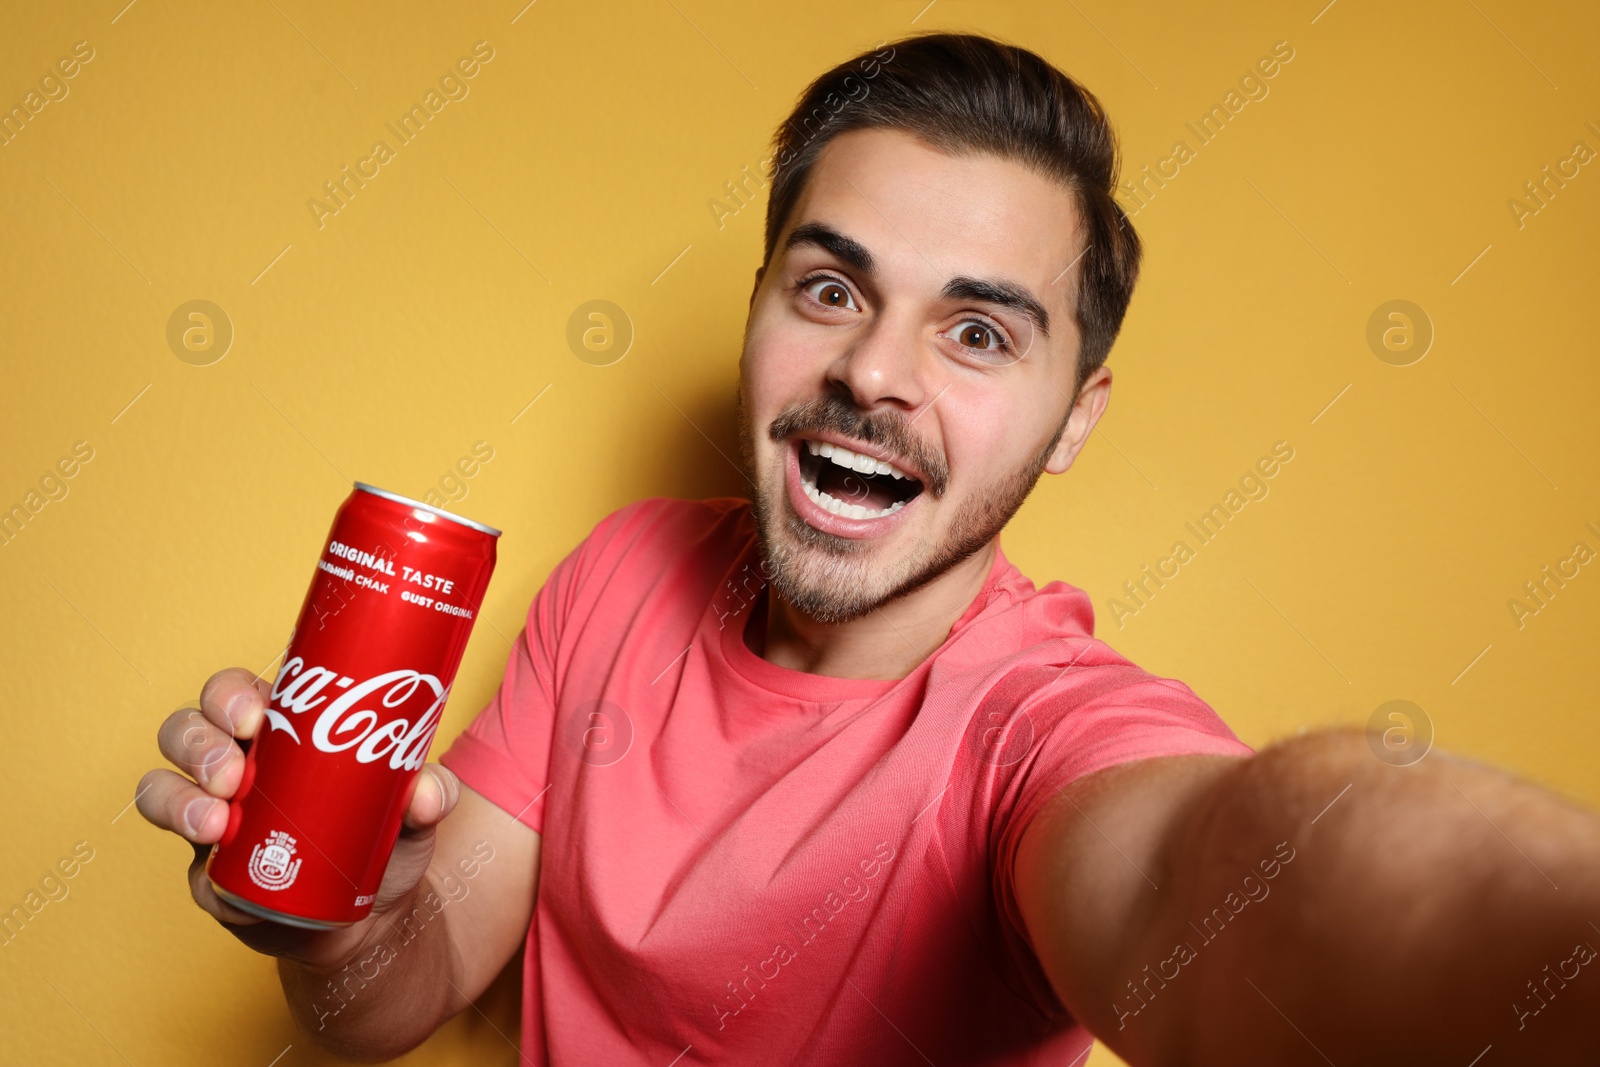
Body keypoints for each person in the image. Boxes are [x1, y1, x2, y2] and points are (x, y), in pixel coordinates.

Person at [137, 32, 1599, 1065]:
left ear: (1075, 418)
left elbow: (1233, 889)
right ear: (762, 306)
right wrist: (332, 914)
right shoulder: (621, 573)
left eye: (977, 331)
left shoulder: (1042, 733)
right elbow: (392, 1001)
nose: (875, 373)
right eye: (833, 288)